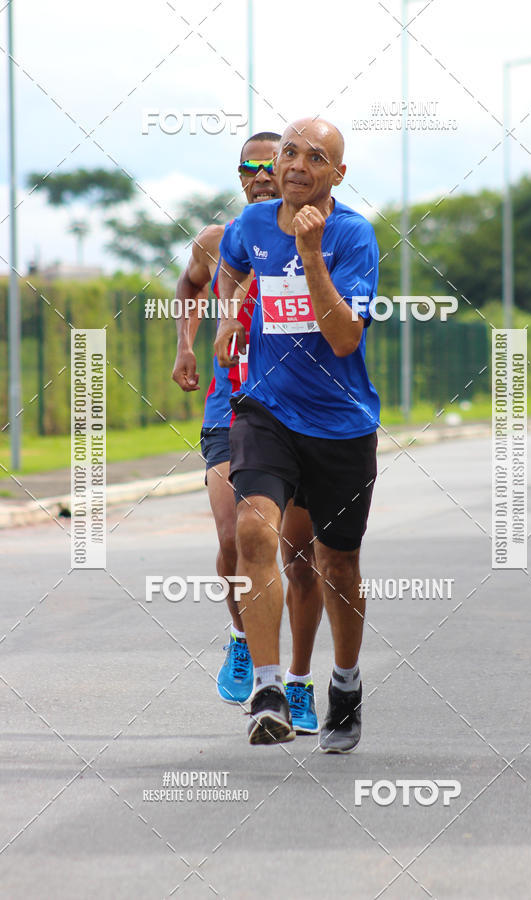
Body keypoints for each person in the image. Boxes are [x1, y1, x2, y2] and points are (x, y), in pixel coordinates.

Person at [215, 118, 380, 751]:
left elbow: (343, 338)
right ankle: (268, 689)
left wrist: (311, 257)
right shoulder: (251, 225)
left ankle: (344, 683)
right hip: (266, 409)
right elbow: (230, 261)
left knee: (337, 563)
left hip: (340, 423)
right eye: (289, 153)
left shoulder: (352, 236)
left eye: (317, 156)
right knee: (255, 529)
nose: (297, 165)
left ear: (337, 174)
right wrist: (231, 316)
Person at [171, 132, 322, 734]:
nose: (263, 174)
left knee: (300, 556)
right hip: (229, 406)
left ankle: (301, 681)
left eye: (273, 163)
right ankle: (243, 638)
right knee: (235, 536)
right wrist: (186, 343)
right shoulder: (217, 241)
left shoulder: (312, 236)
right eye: (250, 167)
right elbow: (189, 283)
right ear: (239, 177)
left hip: (297, 412)